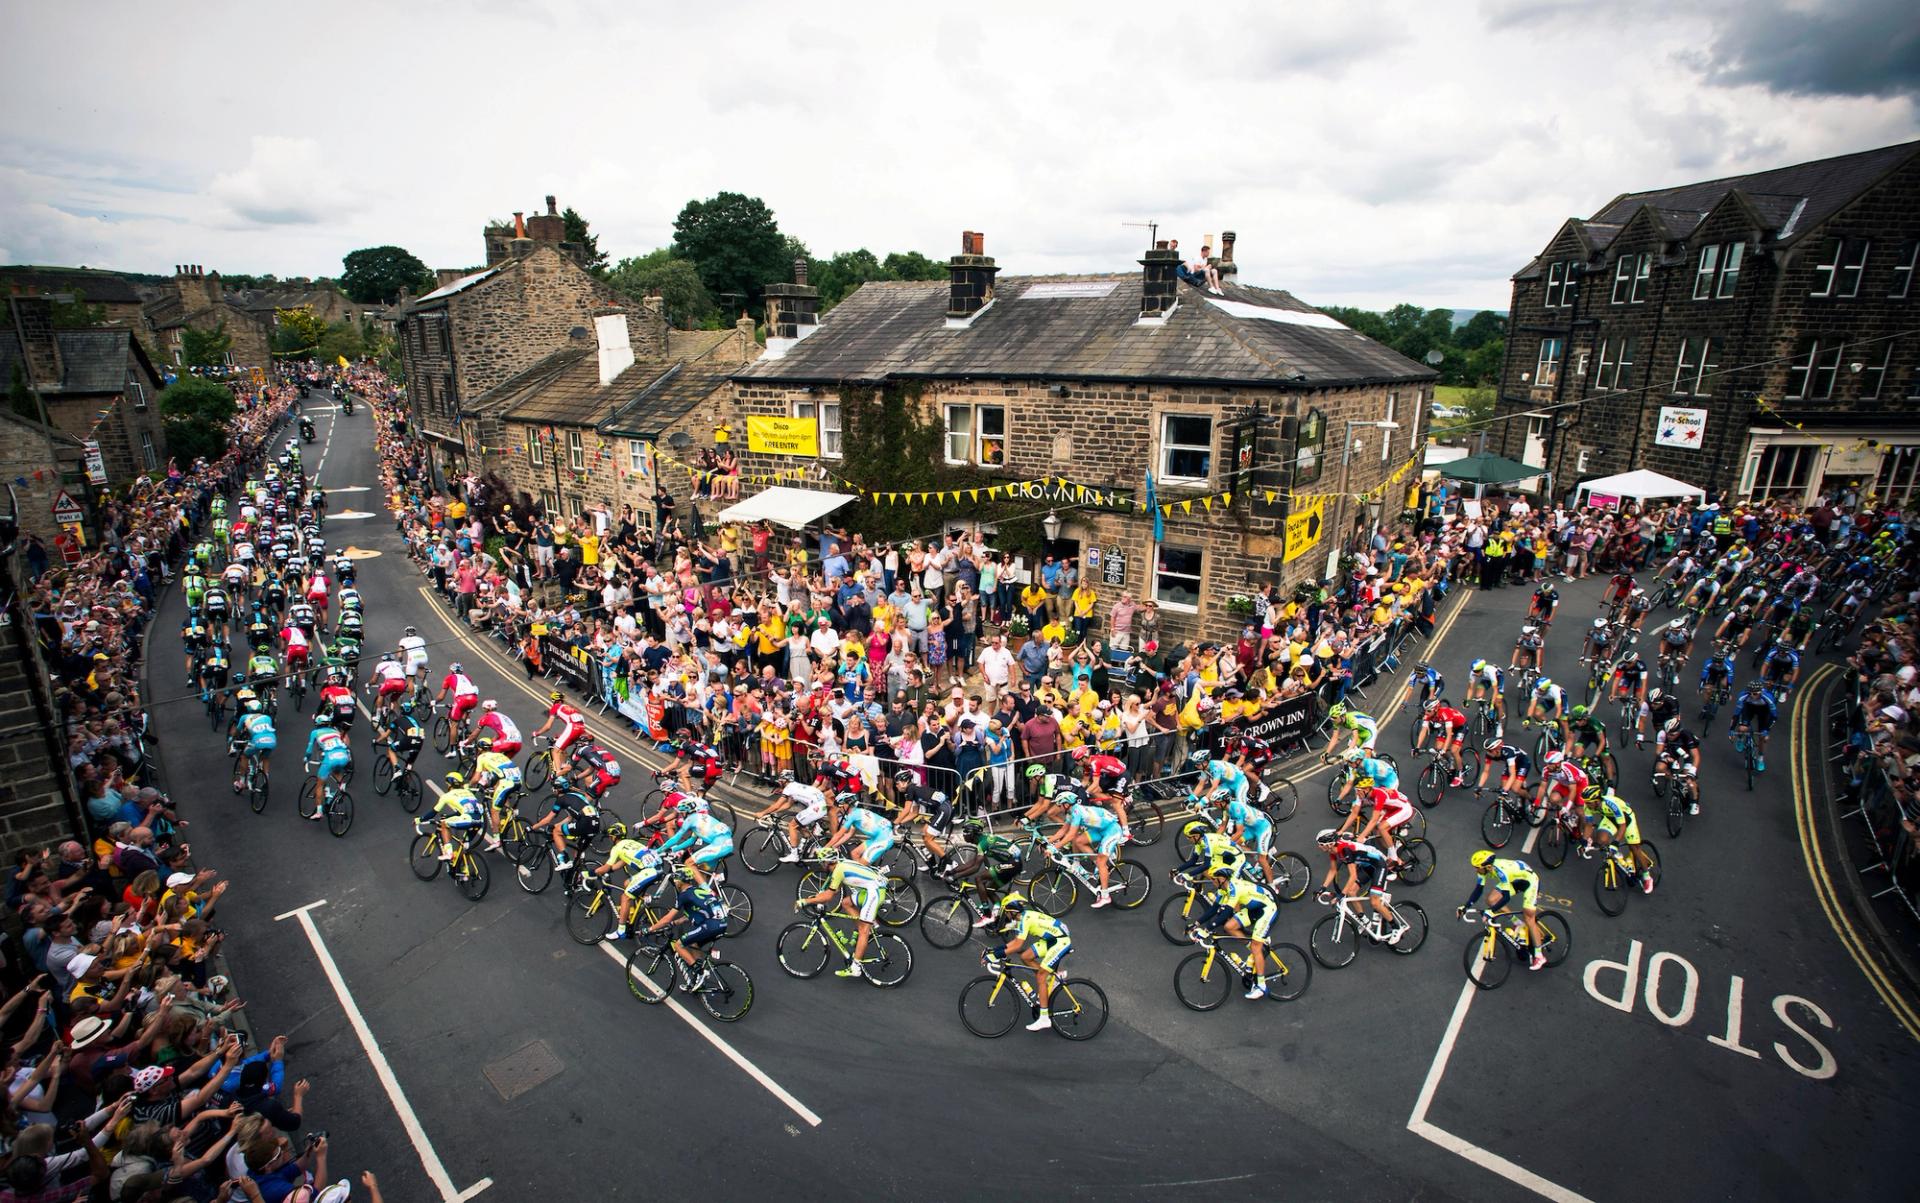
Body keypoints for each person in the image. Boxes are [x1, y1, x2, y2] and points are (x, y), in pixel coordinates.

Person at [1192, 863, 1281, 999]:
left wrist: (1206, 930)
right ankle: (1256, 948)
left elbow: (1227, 911)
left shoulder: (1234, 888)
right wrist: (1196, 924)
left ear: (1221, 880)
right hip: (1254, 908)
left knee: (1256, 947)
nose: (1211, 881)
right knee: (1229, 927)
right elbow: (1214, 909)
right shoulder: (1224, 888)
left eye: (1213, 879)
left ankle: (1261, 986)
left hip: (1267, 909)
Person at [795, 857, 890, 980]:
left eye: (822, 863)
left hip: (874, 892)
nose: (822, 865)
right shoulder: (840, 865)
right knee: (846, 903)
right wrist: (817, 897)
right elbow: (834, 890)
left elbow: (828, 896)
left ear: (827, 862)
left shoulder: (838, 871)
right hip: (873, 887)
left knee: (863, 931)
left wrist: (805, 901)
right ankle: (866, 924)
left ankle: (855, 968)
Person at [994, 891, 1073, 1030]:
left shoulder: (1024, 920)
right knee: (1025, 956)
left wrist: (995, 955)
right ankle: (1052, 978)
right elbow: (1014, 943)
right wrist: (994, 951)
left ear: (1013, 911)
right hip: (1052, 939)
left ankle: (1044, 1019)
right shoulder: (1022, 917)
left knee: (1041, 976)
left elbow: (1017, 944)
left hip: (1060, 941)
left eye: (1006, 911)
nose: (1005, 914)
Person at [644, 865, 732, 986]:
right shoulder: (698, 891)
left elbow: (667, 918)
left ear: (680, 882)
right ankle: (699, 979)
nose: (675, 883)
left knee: (678, 945)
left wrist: (650, 929)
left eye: (676, 881)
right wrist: (674, 923)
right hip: (721, 924)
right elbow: (690, 915)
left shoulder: (684, 896)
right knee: (692, 943)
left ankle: (700, 972)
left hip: (711, 925)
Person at [1461, 849, 1547, 970]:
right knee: (1491, 900)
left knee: (1529, 917)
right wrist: (1466, 906)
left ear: (1488, 866)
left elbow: (1505, 898)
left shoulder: (1501, 871)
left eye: (1477, 867)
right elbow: (1478, 889)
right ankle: (1517, 922)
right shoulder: (1484, 870)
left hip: (1529, 881)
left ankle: (1539, 955)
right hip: (1514, 879)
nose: (1476, 869)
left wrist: (1491, 912)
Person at [590, 834, 668, 940]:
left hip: (650, 872)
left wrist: (591, 873)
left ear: (613, 837)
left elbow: (606, 867)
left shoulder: (617, 848)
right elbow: (620, 863)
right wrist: (608, 871)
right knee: (627, 883)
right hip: (658, 868)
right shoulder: (630, 842)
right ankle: (644, 900)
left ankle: (621, 930)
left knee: (625, 897)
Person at [302, 717, 352, 822]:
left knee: (320, 784)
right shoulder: (335, 731)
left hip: (330, 758)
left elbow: (309, 750)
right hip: (344, 756)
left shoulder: (315, 732)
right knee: (337, 771)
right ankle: (341, 791)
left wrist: (306, 759)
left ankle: (319, 812)